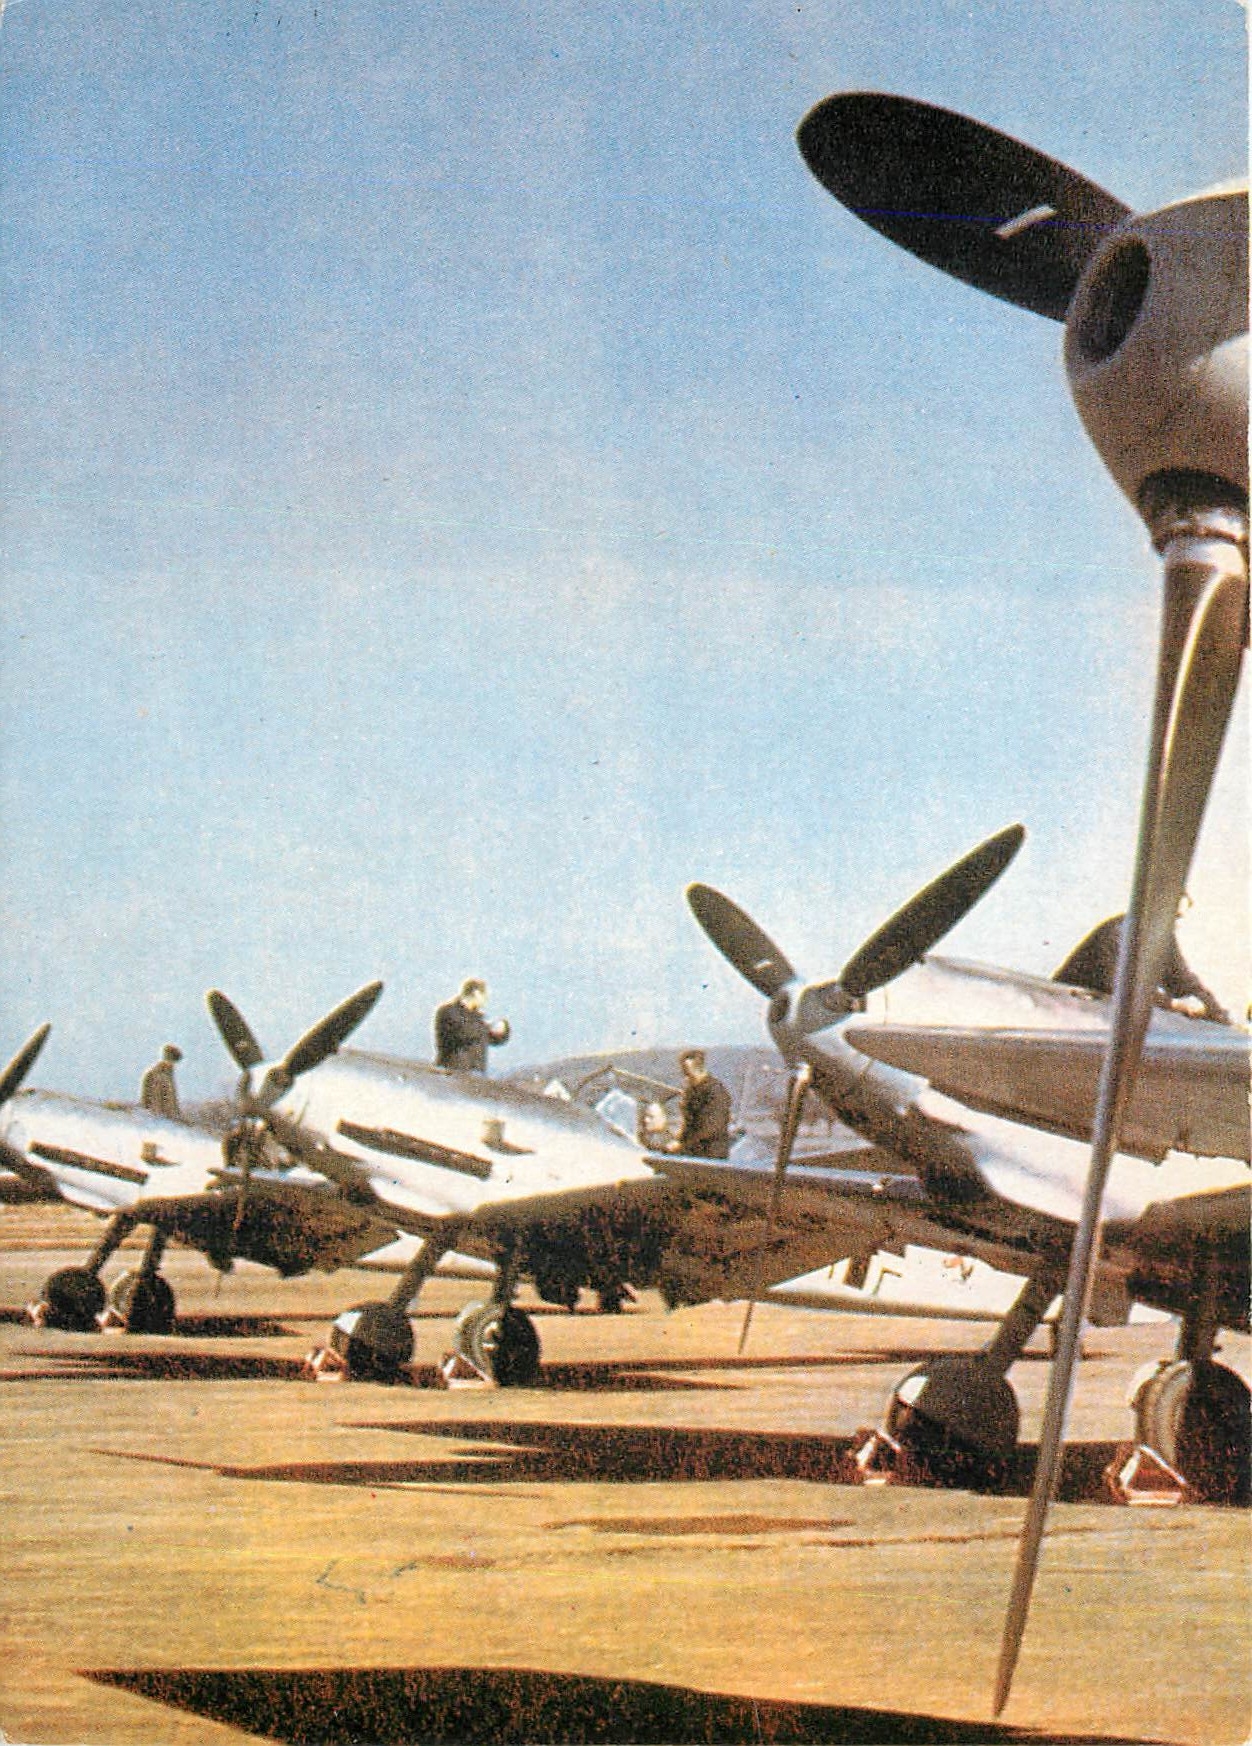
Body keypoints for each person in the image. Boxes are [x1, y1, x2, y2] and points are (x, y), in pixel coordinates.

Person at [1054, 905, 1230, 1024]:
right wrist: (1173, 1005)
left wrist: (1219, 1017)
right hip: (1069, 1015)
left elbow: (1183, 982)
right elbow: (1121, 987)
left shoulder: (1161, 935)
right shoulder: (1118, 932)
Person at [433, 978, 511, 1072]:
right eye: (485, 996)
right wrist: (487, 1028)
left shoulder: (477, 1018)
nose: (486, 1000)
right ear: (477, 994)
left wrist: (502, 1031)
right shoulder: (448, 1011)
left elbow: (490, 1039)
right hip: (453, 1072)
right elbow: (464, 1032)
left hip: (475, 1075)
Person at [667, 1048, 732, 1158]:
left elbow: (711, 1128)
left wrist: (682, 1145)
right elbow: (689, 1122)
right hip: (692, 1150)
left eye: (687, 1072)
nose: (685, 1076)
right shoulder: (692, 1091)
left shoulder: (715, 1091)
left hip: (711, 1153)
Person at [140, 1044, 183, 1119]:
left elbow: (172, 1099)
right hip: (156, 1117)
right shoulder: (155, 1074)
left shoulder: (168, 1074)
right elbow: (147, 1098)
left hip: (165, 1117)